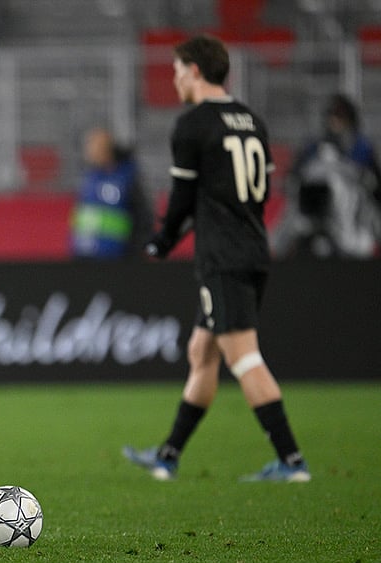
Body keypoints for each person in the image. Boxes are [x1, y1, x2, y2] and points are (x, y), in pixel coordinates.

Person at [122, 34, 310, 482]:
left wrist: (163, 240)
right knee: (201, 351)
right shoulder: (252, 120)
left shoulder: (193, 125)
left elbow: (183, 198)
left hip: (222, 257)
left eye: (176, 71)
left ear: (194, 71)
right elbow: (254, 193)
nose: (174, 80)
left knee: (243, 358)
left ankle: (292, 462)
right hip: (252, 246)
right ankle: (168, 456)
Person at [271, 93, 381, 259]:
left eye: (340, 117)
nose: (335, 121)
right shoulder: (314, 146)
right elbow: (293, 177)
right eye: (333, 116)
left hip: (349, 215)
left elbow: (374, 185)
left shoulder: (361, 147)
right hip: (310, 211)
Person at [70, 127, 153, 259]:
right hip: (86, 256)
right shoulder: (91, 178)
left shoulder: (127, 179)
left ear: (106, 149)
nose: (89, 152)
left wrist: (136, 253)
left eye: (93, 146)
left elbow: (144, 218)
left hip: (119, 258)